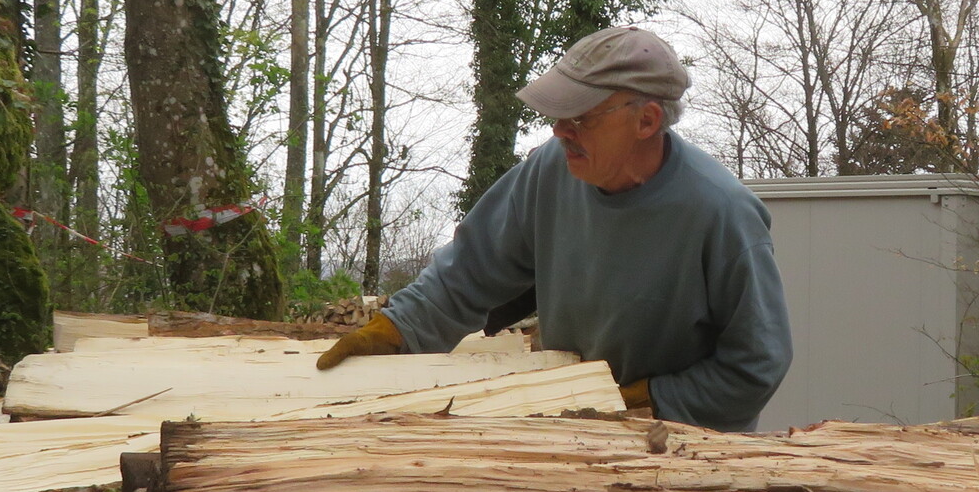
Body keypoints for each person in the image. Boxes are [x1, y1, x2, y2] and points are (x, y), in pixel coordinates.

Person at [315, 26, 792, 431]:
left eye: (581, 117)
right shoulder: (552, 170)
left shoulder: (721, 213)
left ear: (646, 121)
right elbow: (470, 270)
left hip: (686, 453)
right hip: (573, 431)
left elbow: (756, 364)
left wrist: (650, 401)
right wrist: (400, 326)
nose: (560, 130)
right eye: (558, 115)